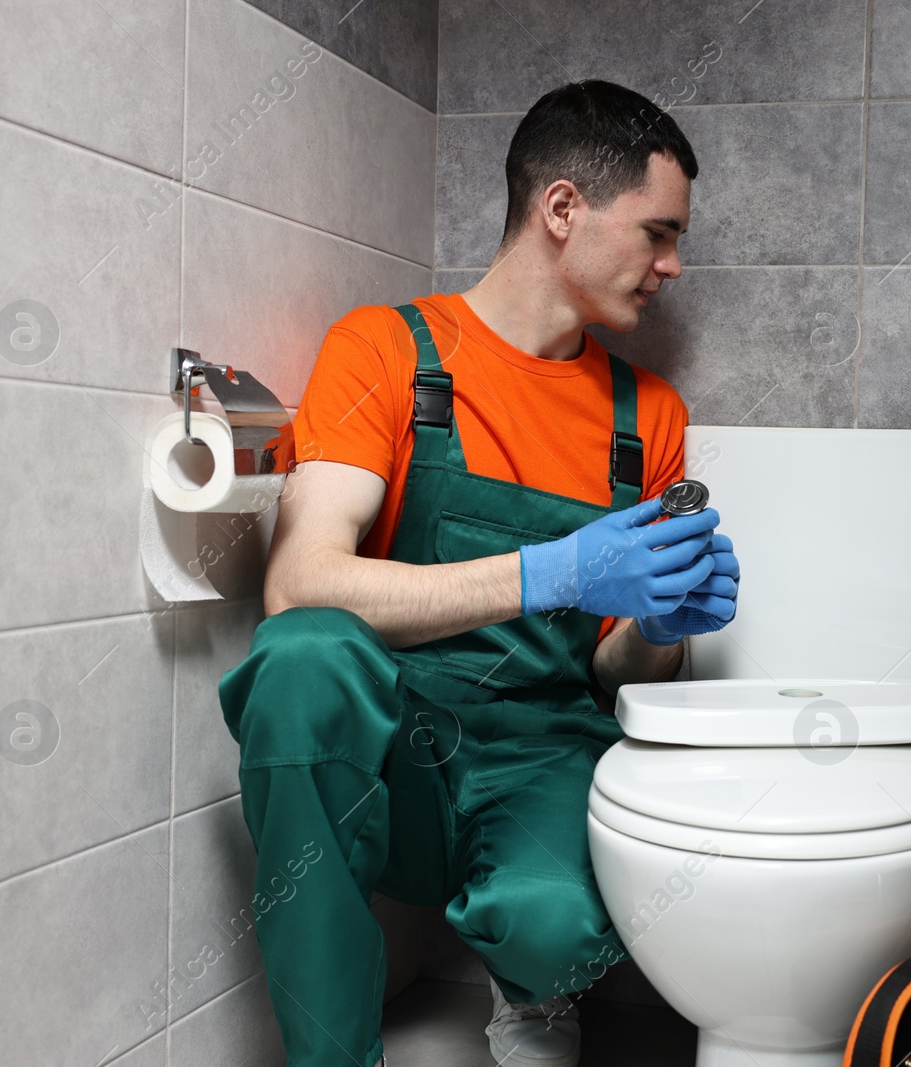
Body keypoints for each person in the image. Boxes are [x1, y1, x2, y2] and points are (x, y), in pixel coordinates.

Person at [216, 79, 741, 1067]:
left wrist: (662, 622)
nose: (671, 266)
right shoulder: (384, 349)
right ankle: (331, 1052)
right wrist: (555, 569)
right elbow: (300, 583)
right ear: (561, 210)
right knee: (300, 659)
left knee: (557, 929)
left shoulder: (649, 418)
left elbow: (613, 678)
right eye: (657, 233)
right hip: (393, 750)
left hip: (542, 751)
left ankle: (537, 993)